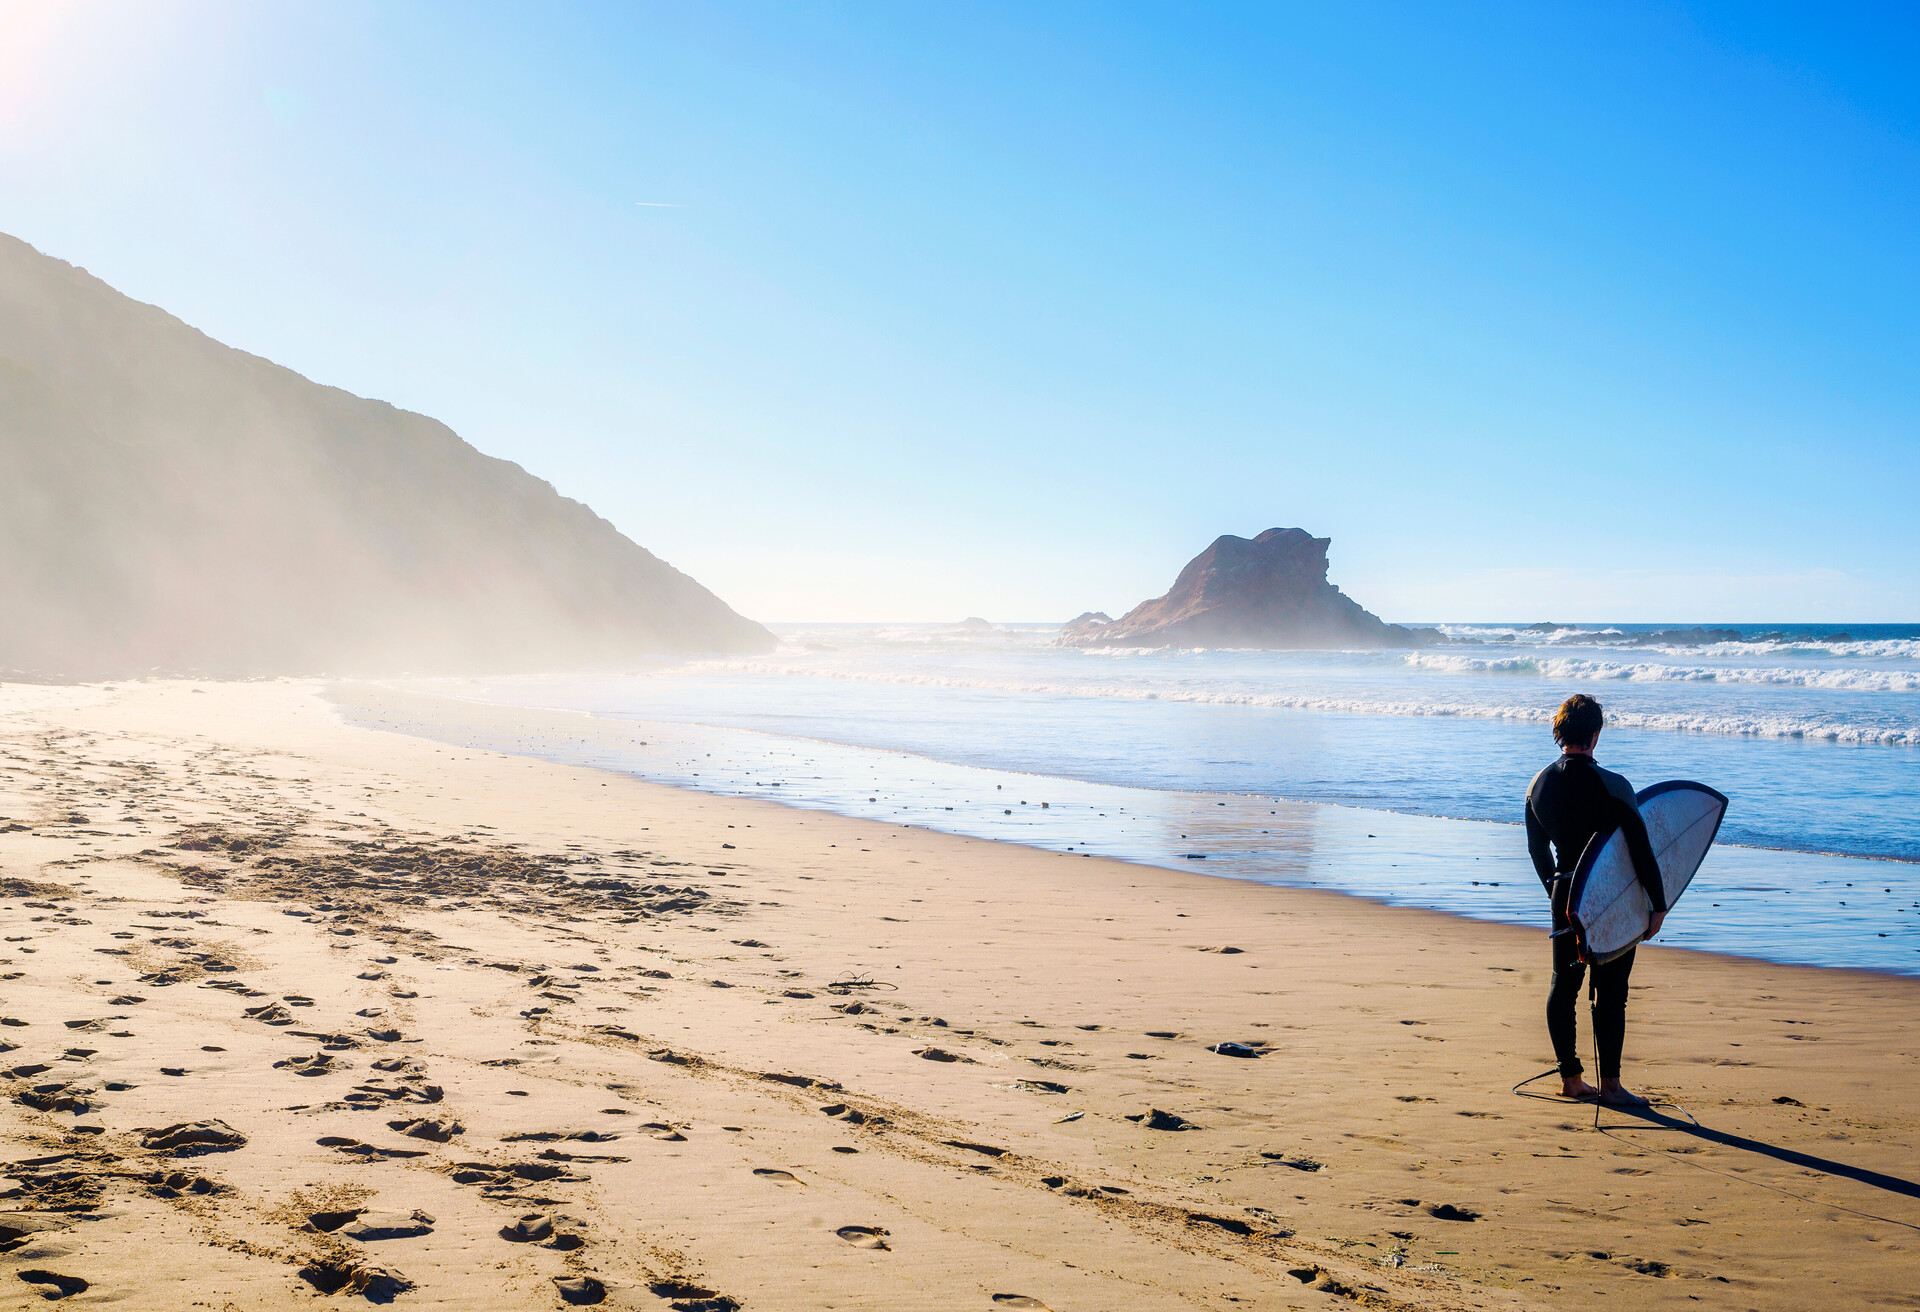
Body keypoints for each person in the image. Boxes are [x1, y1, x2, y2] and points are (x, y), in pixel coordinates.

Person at [1524, 693, 1665, 1106]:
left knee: (1563, 986)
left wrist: (1556, 891)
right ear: (1596, 734)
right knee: (1611, 991)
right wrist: (1657, 904)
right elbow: (1641, 850)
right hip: (1610, 899)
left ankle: (1571, 1079)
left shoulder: (1538, 785)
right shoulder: (1614, 785)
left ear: (1559, 732)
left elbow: (1537, 852)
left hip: (1565, 894)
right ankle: (1612, 1087)